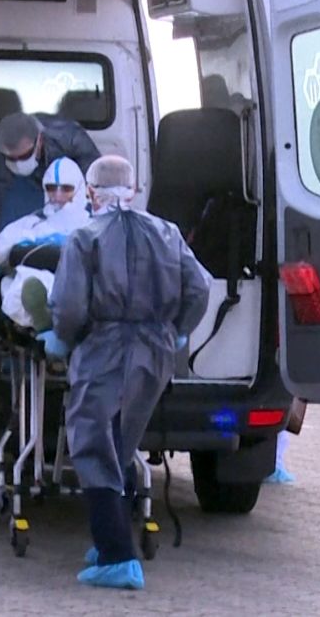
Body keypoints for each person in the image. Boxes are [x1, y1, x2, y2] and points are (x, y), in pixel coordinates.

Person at [41, 155, 212, 590]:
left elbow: (69, 305)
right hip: (155, 351)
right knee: (122, 442)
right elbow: (200, 286)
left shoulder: (84, 237)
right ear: (134, 190)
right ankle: (110, 543)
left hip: (104, 348)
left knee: (93, 443)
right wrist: (177, 330)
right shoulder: (167, 233)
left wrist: (65, 336)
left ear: (91, 192)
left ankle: (117, 555)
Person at [0, 157, 91, 329]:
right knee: (28, 284)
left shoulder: (92, 226)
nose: (58, 195)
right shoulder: (30, 224)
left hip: (80, 286)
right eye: (52, 188)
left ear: (80, 189)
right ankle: (46, 321)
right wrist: (22, 246)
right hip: (37, 282)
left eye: (66, 189)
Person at [0, 112, 101, 233]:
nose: (18, 163)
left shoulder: (71, 139)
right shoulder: (2, 145)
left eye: (24, 156)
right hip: (24, 187)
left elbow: (96, 182)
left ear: (39, 140)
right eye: (12, 159)